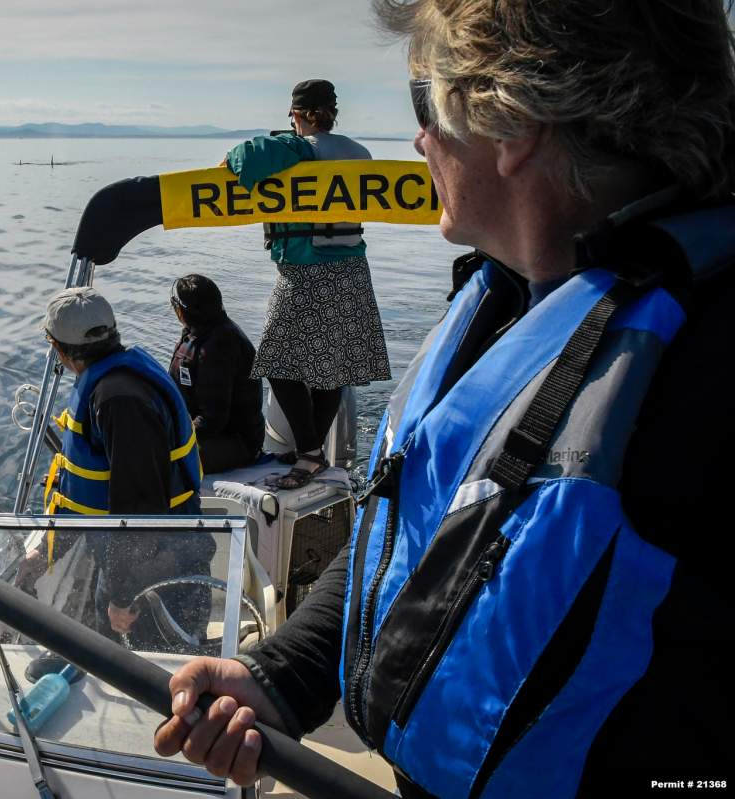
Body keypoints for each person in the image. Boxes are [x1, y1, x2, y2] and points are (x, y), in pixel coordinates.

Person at [154, 1, 735, 795]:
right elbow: (415, 526)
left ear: (511, 123)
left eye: (424, 104)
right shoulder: (508, 302)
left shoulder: (708, 368)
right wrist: (282, 673)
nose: (419, 140)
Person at [18, 286, 214, 651]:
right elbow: (87, 491)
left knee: (156, 667)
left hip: (157, 567)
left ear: (59, 348)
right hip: (131, 559)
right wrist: (46, 551)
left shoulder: (120, 401)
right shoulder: (107, 384)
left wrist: (124, 595)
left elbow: (140, 508)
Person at [224, 78, 391, 490]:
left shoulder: (297, 149)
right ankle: (310, 453)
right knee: (332, 367)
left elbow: (244, 159)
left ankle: (311, 453)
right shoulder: (360, 152)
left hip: (306, 270)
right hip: (353, 269)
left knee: (276, 363)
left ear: (297, 115)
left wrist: (237, 156)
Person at [168, 274, 264, 473]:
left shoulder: (218, 348)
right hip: (202, 432)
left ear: (183, 311)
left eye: (174, 304)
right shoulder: (198, 331)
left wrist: (171, 437)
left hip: (234, 443)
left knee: (154, 461)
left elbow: (212, 420)